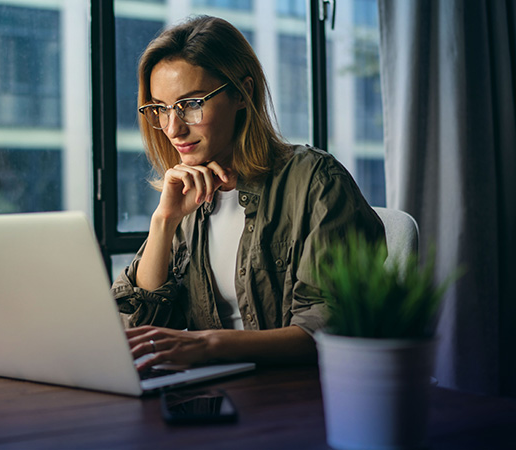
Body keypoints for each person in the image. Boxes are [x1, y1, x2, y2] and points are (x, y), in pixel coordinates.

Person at [111, 15, 385, 372]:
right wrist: (164, 222)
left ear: (242, 93)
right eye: (160, 109)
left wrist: (209, 345)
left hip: (297, 396)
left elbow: (326, 330)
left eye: (191, 104)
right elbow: (136, 328)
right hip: (214, 393)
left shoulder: (316, 181)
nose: (173, 128)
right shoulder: (187, 195)